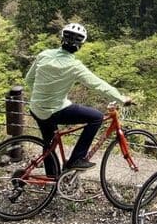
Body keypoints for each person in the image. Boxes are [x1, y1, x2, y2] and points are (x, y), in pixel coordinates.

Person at [26, 22, 133, 172]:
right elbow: (98, 85)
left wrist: (44, 94)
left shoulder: (43, 55)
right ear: (81, 44)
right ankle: (76, 159)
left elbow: (29, 80)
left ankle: (51, 180)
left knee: (49, 143)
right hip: (56, 109)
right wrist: (122, 99)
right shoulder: (75, 66)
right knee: (96, 117)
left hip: (36, 107)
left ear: (61, 38)